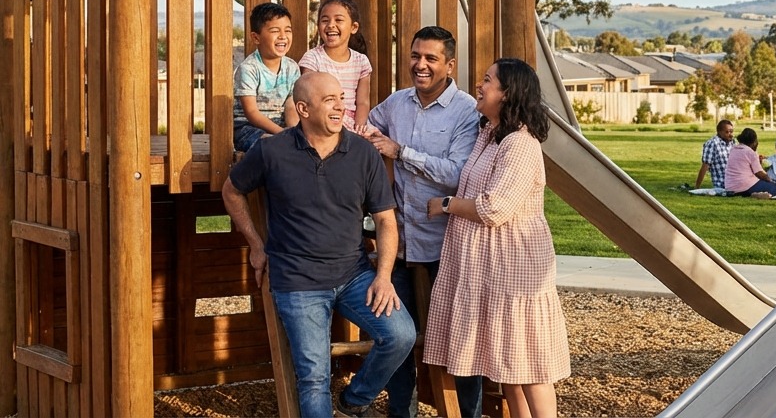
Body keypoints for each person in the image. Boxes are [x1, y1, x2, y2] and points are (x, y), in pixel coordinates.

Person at [222, 72, 415, 417]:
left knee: (401, 335)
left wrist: (383, 276)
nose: (340, 106)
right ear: (303, 109)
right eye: (329, 100)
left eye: (340, 98)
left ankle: (353, 401)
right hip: (298, 282)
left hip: (355, 275)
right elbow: (232, 190)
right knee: (313, 378)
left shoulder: (362, 153)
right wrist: (255, 243)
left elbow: (386, 220)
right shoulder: (271, 150)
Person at [424, 58, 571, 418]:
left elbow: (495, 209)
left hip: (516, 268)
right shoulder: (489, 135)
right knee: (511, 365)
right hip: (492, 268)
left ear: (507, 94)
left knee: (530, 364)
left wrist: (446, 204)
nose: (480, 84)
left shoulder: (520, 144)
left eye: (488, 80)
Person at [361, 26, 483, 418]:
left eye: (431, 58)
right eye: (415, 56)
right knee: (397, 335)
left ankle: (470, 414)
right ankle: (402, 413)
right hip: (398, 242)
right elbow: (365, 128)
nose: (421, 65)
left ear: (449, 64)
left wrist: (401, 153)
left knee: (459, 340)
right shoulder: (396, 103)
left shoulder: (466, 110)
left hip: (446, 246)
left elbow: (458, 174)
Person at [233, 1, 301, 152]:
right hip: (249, 128)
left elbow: (291, 105)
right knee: (272, 145)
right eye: (275, 31)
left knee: (301, 142)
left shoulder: (292, 67)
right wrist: (282, 135)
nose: (283, 36)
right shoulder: (249, 69)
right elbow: (251, 113)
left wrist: (294, 131)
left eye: (288, 30)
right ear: (256, 38)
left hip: (280, 126)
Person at [299, 0, 373, 129]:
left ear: (353, 27)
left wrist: (359, 128)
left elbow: (363, 102)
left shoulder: (361, 62)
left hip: (351, 122)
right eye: (325, 20)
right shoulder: (312, 58)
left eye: (338, 20)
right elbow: (308, 97)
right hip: (322, 118)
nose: (331, 25)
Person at [724, 127, 776, 198]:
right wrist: (770, 180)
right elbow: (759, 173)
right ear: (753, 142)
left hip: (730, 187)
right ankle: (754, 194)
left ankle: (750, 194)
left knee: (772, 183)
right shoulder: (750, 152)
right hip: (745, 186)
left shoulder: (733, 149)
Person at [694, 119, 734, 189]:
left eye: (731, 131)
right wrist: (697, 187)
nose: (730, 134)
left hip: (736, 181)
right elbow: (705, 166)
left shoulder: (732, 142)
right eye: (727, 132)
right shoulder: (712, 144)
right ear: (719, 132)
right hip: (723, 185)